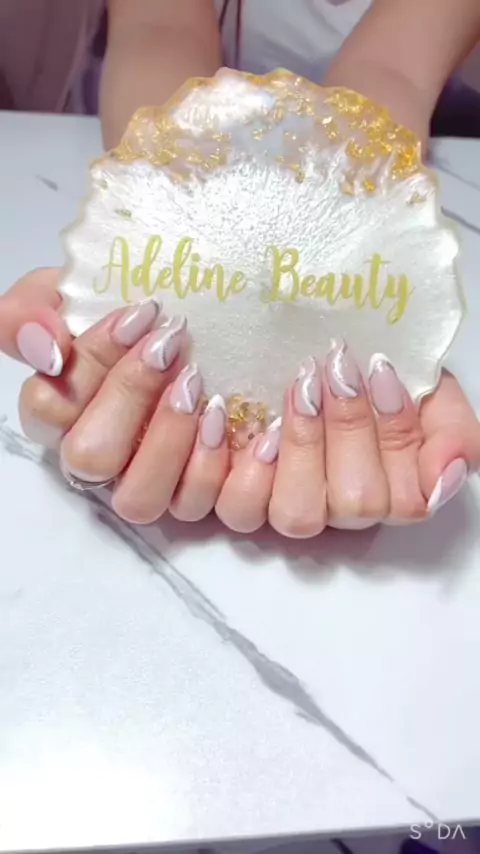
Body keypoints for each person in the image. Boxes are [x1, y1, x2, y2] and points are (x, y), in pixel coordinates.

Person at [1, 0, 480, 537]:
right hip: (191, 163)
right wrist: (158, 246)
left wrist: (353, 278)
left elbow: (391, 69)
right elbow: (159, 30)